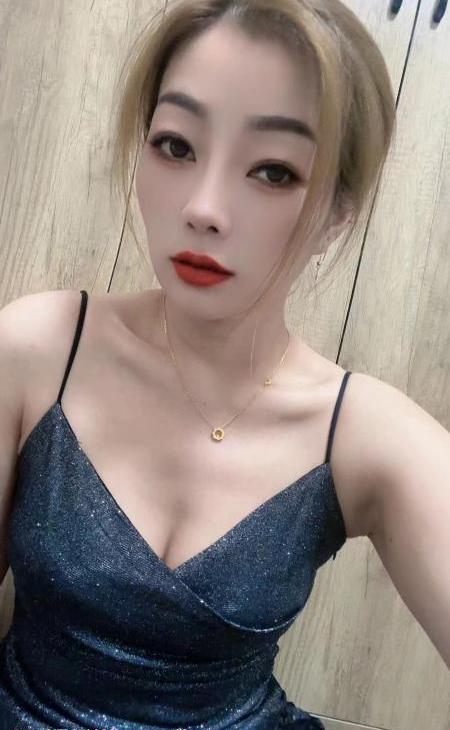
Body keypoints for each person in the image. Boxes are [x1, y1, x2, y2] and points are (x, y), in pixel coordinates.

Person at [0, 1, 449, 728]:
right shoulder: (39, 349)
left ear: (337, 213)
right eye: (176, 146)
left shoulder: (360, 434)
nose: (204, 208)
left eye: (273, 171)